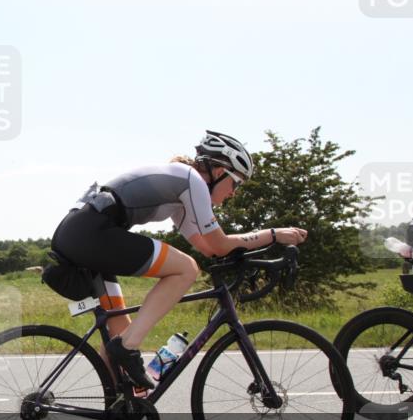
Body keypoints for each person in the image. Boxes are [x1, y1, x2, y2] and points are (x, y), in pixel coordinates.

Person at [50, 131, 308, 389]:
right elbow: (219, 244)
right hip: (92, 232)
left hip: (82, 233)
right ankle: (127, 348)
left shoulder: (180, 196)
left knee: (119, 332)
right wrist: (273, 235)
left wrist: (252, 252)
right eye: (236, 184)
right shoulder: (191, 179)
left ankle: (119, 411)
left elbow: (212, 249)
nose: (234, 193)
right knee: (185, 269)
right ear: (219, 171)